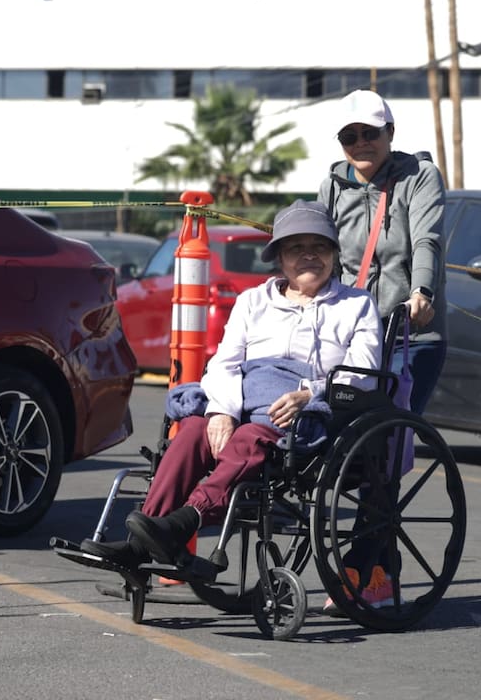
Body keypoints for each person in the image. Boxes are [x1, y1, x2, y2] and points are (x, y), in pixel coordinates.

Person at [80, 199, 381, 575]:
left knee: (249, 439)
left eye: (319, 247)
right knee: (192, 431)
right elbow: (224, 363)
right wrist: (221, 411)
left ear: (334, 255)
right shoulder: (253, 300)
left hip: (301, 415)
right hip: (241, 398)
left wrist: (310, 394)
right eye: (296, 248)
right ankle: (146, 536)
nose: (308, 257)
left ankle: (187, 520)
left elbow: (365, 373)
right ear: (280, 258)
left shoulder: (356, 305)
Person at [319, 89, 446, 415]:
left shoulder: (419, 176)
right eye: (349, 136)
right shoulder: (331, 187)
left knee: (388, 431)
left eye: (370, 133)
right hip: (351, 333)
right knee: (334, 425)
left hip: (409, 333)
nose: (360, 142)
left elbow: (426, 241)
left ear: (390, 132)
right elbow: (321, 256)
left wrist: (421, 292)